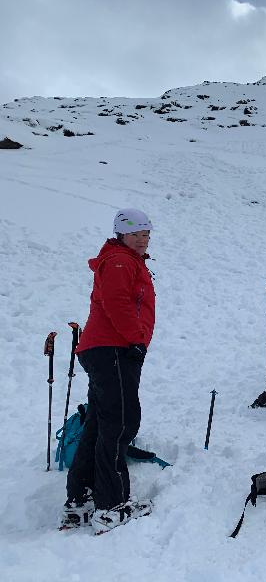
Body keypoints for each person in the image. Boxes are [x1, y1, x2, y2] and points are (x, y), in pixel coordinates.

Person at [61, 208, 156, 532]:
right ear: (121, 235)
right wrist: (136, 340)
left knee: (99, 424)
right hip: (114, 349)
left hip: (105, 349)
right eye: (137, 235)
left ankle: (80, 500)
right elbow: (118, 302)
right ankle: (110, 505)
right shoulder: (119, 261)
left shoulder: (123, 260)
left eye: (146, 235)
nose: (143, 240)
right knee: (120, 422)